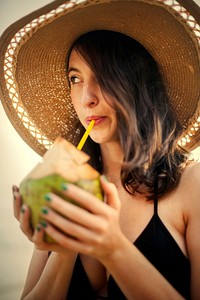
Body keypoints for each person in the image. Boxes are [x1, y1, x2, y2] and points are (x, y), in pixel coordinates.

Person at [0, 1, 200, 299]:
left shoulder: (192, 184)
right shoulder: (65, 186)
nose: (86, 98)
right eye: (75, 79)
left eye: (103, 76)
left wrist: (111, 246)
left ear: (138, 82)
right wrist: (63, 248)